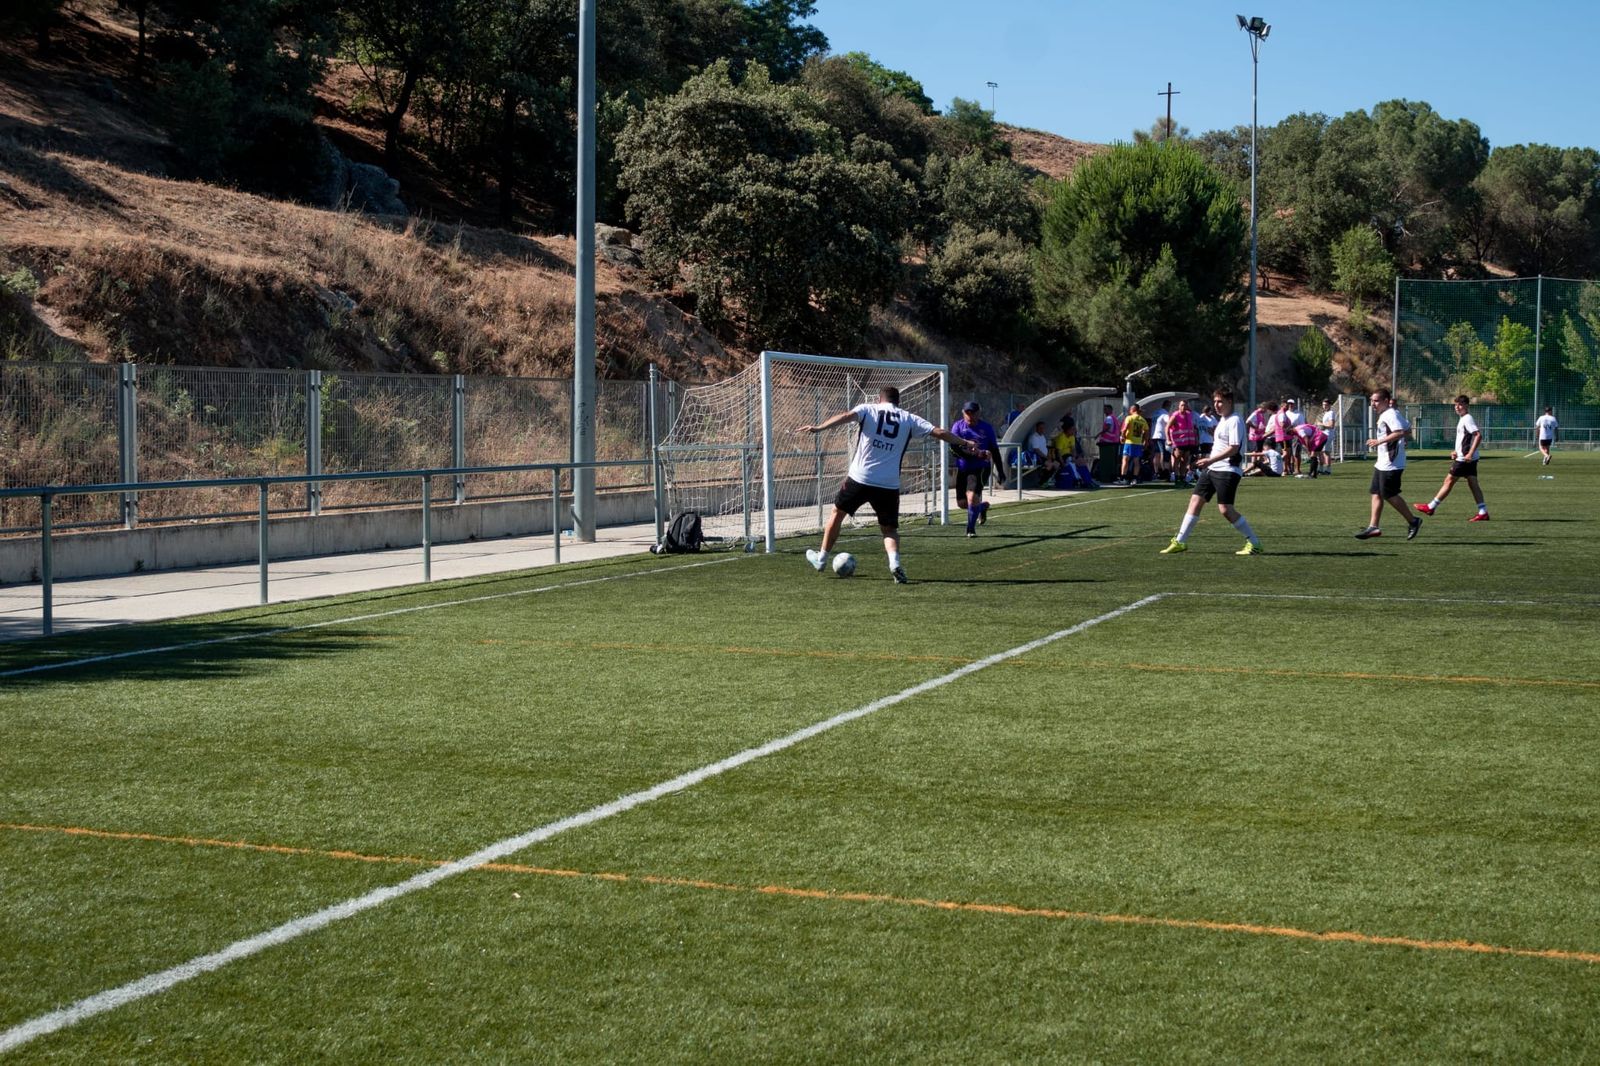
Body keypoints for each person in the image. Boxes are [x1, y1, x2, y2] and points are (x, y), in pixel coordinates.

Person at [800, 386, 975, 582]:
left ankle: (821, 559)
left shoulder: (868, 409)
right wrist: (965, 443)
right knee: (889, 530)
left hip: (860, 478)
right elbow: (940, 432)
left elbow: (846, 415)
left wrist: (819, 427)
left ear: (878, 399)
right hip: (889, 484)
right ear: (898, 402)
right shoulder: (909, 418)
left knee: (837, 513)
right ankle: (895, 564)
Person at [1160, 385, 1263, 555]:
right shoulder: (1222, 420)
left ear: (1229, 402)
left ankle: (1254, 543)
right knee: (1195, 501)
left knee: (1225, 509)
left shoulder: (1235, 420)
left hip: (1228, 469)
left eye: (1220, 402)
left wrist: (1209, 460)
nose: (1216, 405)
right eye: (1215, 401)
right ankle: (1180, 541)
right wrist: (1208, 461)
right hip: (1213, 468)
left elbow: (1234, 448)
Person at [1355, 387, 1423, 541]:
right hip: (1382, 462)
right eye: (1372, 400)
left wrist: (1379, 441)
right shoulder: (1391, 414)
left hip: (1391, 463)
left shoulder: (1390, 414)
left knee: (1389, 494)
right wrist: (1398, 441)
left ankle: (1413, 521)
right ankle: (1373, 527)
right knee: (1376, 492)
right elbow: (1406, 429)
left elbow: (1399, 432)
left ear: (1386, 401)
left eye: (1376, 401)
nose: (1373, 403)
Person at [1414, 395, 1489, 521]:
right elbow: (1465, 439)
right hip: (1467, 457)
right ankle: (1483, 511)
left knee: (1449, 481)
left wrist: (1469, 453)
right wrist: (1456, 451)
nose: (1457, 407)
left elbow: (1478, 435)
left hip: (1465, 459)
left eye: (1460, 405)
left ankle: (1431, 507)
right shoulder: (1463, 419)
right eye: (1455, 405)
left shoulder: (1467, 419)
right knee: (1473, 484)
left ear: (1466, 406)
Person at [950, 400, 1007, 537]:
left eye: (973, 413)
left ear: (978, 413)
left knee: (972, 497)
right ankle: (982, 507)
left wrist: (1000, 470)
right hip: (963, 468)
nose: (970, 416)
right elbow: (953, 449)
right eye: (967, 413)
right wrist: (975, 454)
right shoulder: (958, 427)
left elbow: (994, 450)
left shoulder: (986, 428)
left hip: (980, 468)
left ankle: (970, 529)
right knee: (962, 503)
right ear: (963, 413)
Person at [1050, 416, 1095, 489]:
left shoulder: (1072, 437)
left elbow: (1073, 449)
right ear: (1068, 430)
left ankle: (1088, 480)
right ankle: (1077, 479)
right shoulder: (1061, 438)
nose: (1074, 431)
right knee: (1070, 461)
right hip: (1062, 457)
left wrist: (1075, 457)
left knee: (1081, 461)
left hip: (1069, 456)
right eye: (1072, 429)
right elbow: (1058, 453)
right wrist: (1062, 463)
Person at [1166, 399, 1198, 484]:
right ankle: (1177, 477)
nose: (1183, 407)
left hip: (1188, 442)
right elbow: (1167, 427)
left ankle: (1182, 477)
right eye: (1182, 405)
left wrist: (1195, 439)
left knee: (1185, 460)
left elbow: (1193, 428)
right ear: (1179, 406)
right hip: (1178, 442)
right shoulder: (1175, 415)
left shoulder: (1189, 415)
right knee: (1177, 459)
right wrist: (1168, 439)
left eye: (1185, 405)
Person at [1115, 403, 1147, 485]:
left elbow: (1124, 428)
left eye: (1130, 409)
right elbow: (1146, 432)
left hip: (1129, 442)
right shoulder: (1142, 420)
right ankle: (1135, 479)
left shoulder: (1129, 418)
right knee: (1136, 461)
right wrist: (1145, 441)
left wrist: (1122, 436)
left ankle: (1123, 478)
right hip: (1138, 443)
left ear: (1133, 409)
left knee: (1125, 460)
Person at [1095, 403, 1121, 483]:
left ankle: (1107, 476)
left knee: (1108, 461)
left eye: (1105, 409)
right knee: (1113, 461)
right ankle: (1113, 476)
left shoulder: (1109, 418)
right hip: (1115, 441)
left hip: (1108, 442)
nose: (1104, 411)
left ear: (1110, 410)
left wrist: (1099, 434)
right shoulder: (1115, 418)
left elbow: (1108, 427)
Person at [1150, 400, 1171, 481]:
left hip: (1154, 435)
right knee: (1163, 453)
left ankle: (1156, 473)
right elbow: (1169, 423)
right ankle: (1164, 472)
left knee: (1156, 454)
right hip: (1161, 435)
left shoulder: (1155, 413)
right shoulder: (1165, 414)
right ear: (1168, 406)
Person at [1317, 399, 1337, 474]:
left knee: (1326, 452)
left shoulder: (1331, 413)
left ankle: (1328, 470)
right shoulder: (1324, 413)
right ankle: (1321, 469)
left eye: (1326, 405)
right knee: (1320, 451)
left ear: (1329, 405)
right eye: (1323, 405)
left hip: (1328, 434)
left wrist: (1321, 424)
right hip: (1322, 434)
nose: (1324, 406)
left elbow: (1331, 425)